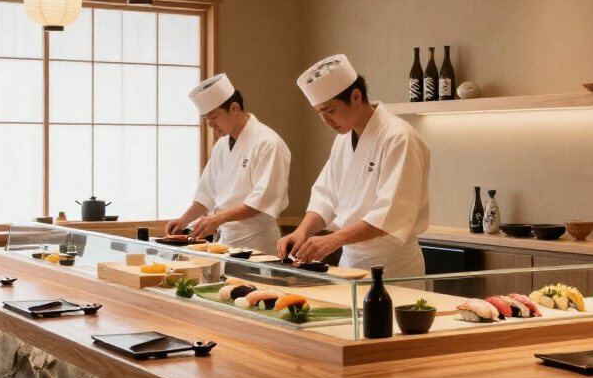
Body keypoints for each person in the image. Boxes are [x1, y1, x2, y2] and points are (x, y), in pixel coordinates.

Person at [279, 54, 430, 276]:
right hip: (350, 260)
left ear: (356, 96)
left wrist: (333, 240)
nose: (326, 121)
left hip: (393, 265)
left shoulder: (399, 137)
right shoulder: (343, 139)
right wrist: (302, 232)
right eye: (320, 113)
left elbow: (391, 214)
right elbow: (326, 196)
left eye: (330, 111)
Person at [165, 73, 290, 254]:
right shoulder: (221, 145)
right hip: (225, 242)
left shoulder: (268, 143)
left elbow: (260, 202)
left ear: (234, 108)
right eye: (206, 119)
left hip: (257, 242)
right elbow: (206, 195)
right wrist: (183, 221)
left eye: (214, 117)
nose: (210, 124)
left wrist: (217, 219)